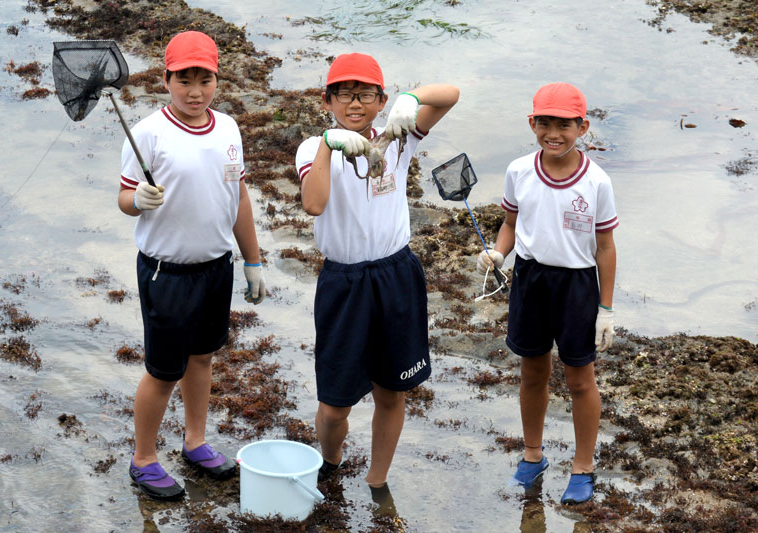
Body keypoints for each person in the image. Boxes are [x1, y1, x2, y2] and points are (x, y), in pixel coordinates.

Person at [295, 52, 459, 503]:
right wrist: (331, 144)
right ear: (327, 99)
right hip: (343, 283)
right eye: (344, 94)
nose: (355, 103)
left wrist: (411, 97)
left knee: (393, 390)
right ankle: (330, 462)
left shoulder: (398, 138)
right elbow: (313, 204)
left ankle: (377, 479)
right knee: (334, 405)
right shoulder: (312, 148)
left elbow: (450, 95)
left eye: (366, 94)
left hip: (395, 274)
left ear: (380, 99)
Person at [118, 30, 266, 501]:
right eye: (184, 79)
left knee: (203, 357)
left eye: (205, 79)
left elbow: (237, 194)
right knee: (163, 372)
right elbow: (124, 198)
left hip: (216, 266)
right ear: (167, 79)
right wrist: (137, 199)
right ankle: (143, 459)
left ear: (217, 80)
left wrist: (253, 260)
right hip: (167, 271)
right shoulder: (146, 134)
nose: (195, 90)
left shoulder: (228, 129)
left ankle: (195, 441)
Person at [477, 82, 617, 504]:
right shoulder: (519, 170)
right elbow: (511, 225)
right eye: (544, 122)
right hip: (530, 280)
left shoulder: (597, 181)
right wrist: (498, 253)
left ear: (583, 127)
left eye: (564, 124)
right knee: (532, 372)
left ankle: (583, 466)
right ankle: (533, 455)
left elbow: (606, 247)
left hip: (577, 285)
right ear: (531, 123)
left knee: (580, 379)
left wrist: (606, 308)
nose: (553, 132)